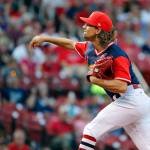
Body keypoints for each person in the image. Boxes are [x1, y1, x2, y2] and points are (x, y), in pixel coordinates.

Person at [30, 11, 150, 150]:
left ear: (98, 29)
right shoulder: (90, 48)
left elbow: (122, 86)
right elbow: (70, 44)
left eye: (88, 24)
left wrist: (96, 80)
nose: (84, 26)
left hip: (130, 99)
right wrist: (45, 38)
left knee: (90, 131)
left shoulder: (117, 55)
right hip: (137, 104)